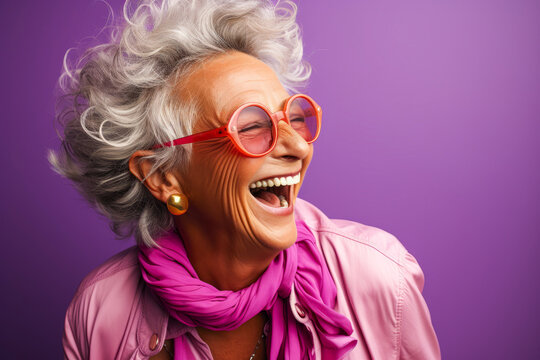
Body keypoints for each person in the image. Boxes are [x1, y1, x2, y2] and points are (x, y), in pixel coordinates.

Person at [50, 0, 441, 359]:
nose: (299, 149)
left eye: (293, 118)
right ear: (162, 176)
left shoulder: (379, 278)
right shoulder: (99, 310)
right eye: (252, 126)